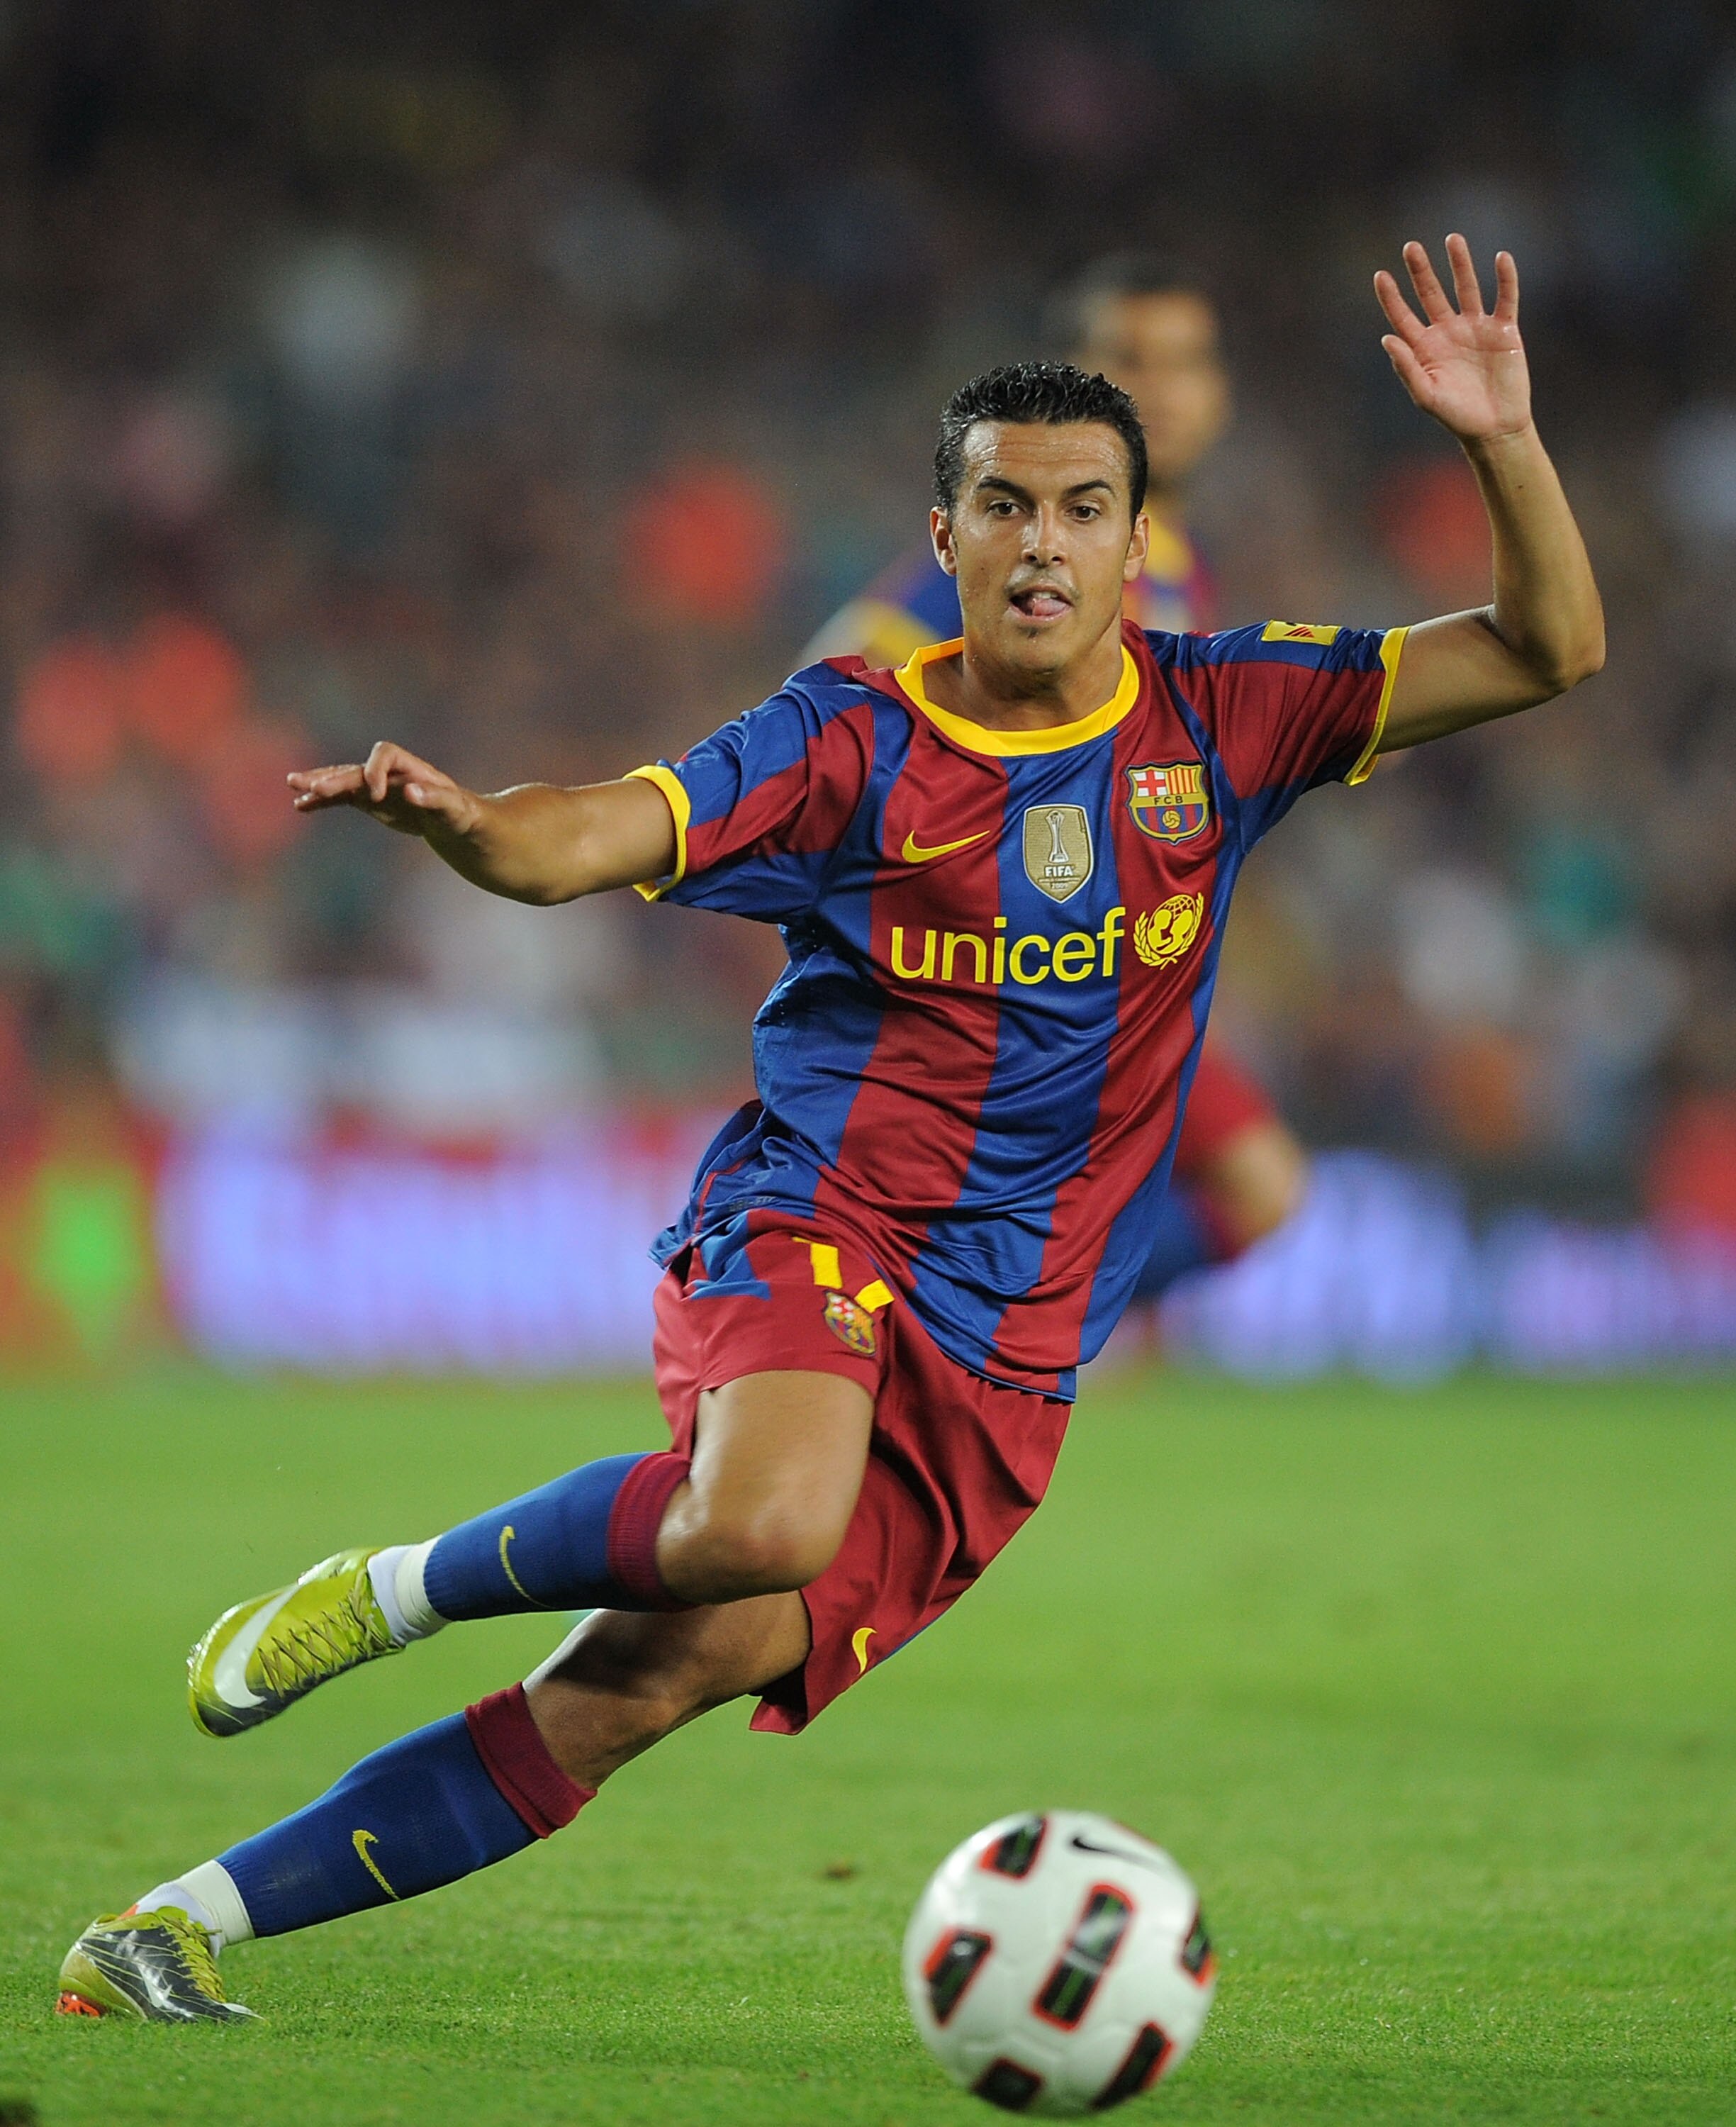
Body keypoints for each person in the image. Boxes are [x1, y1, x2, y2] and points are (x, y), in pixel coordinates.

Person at [60, 238, 1602, 2023]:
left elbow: (1549, 648)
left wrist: (1502, 439)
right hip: (821, 1217)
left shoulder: (1224, 712)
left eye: (1083, 509)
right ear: (938, 542)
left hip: (1012, 1345)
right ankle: (390, 1590)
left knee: (641, 1684)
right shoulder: (850, 734)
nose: (1042, 544)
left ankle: (170, 1931)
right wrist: (473, 826)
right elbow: (587, 838)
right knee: (763, 1521)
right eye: (1004, 509)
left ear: (1134, 538)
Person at [809, 254, 1304, 1313]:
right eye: (1131, 360)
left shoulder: (1164, 557)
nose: (1164, 389)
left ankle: (1007, 1323)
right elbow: (819, 698)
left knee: (1247, 1188)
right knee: (1253, 1183)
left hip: (1106, 964)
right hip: (1016, 967)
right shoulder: (1019, 553)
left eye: (1187, 362)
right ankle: (1010, 1323)